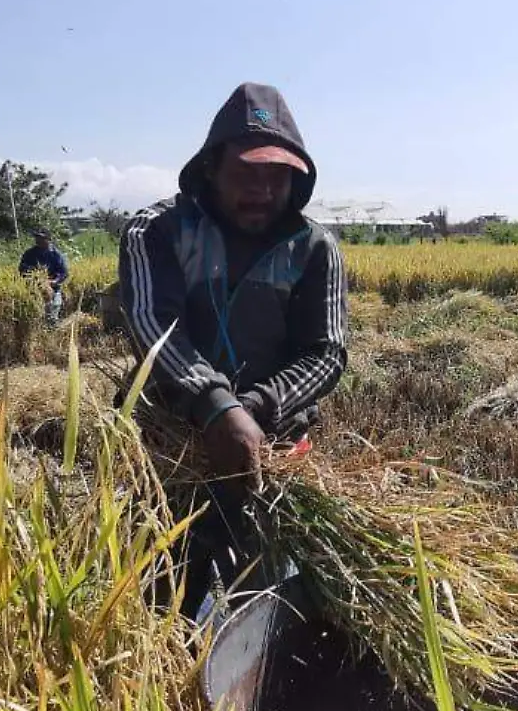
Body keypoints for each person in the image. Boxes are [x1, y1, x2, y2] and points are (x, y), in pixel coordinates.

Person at [119, 82, 348, 618]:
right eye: (246, 172)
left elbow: (327, 352)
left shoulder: (314, 248)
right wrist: (216, 407)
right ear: (210, 168)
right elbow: (154, 326)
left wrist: (256, 412)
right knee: (156, 601)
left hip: (271, 455)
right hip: (168, 452)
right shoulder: (157, 232)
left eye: (276, 176)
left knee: (267, 606)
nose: (261, 190)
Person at [18, 229, 68, 323]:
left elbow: (63, 273)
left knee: (53, 311)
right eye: (37, 237)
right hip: (34, 289)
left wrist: (54, 281)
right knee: (35, 315)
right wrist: (32, 276)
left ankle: (51, 331)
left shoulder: (56, 254)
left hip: (53, 289)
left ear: (48, 239)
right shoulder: (30, 253)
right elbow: (22, 268)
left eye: (41, 238)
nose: (38, 240)